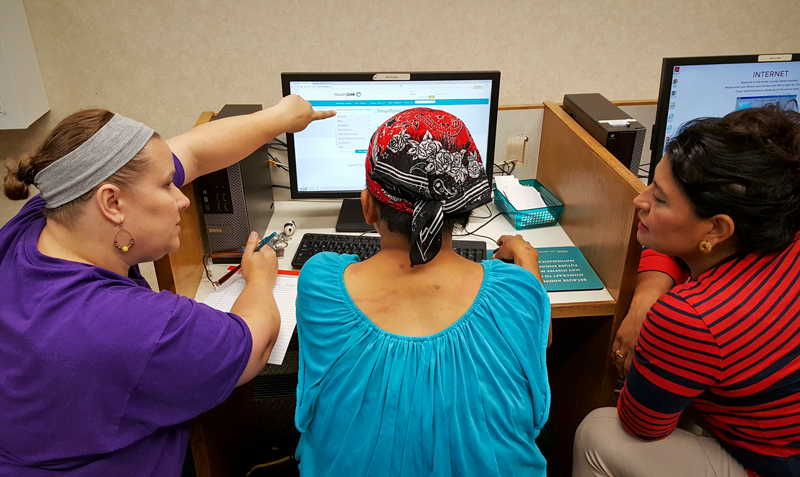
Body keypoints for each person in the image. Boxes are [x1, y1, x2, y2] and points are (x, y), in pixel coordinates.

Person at [0, 96, 334, 476]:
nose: (182, 199)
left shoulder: (43, 217)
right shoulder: (133, 325)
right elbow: (254, 346)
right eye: (166, 185)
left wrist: (280, 117)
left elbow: (192, 152)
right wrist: (259, 280)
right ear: (111, 202)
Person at [293, 108, 552, 477]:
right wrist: (528, 261)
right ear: (464, 209)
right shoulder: (519, 293)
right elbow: (537, 338)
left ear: (368, 206)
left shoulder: (319, 282)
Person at [573, 104, 800, 477]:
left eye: (660, 199)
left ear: (716, 229)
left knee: (600, 432)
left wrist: (658, 330)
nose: (640, 201)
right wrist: (648, 295)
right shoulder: (776, 226)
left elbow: (643, 425)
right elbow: (683, 251)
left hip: (776, 464)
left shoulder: (692, 317)